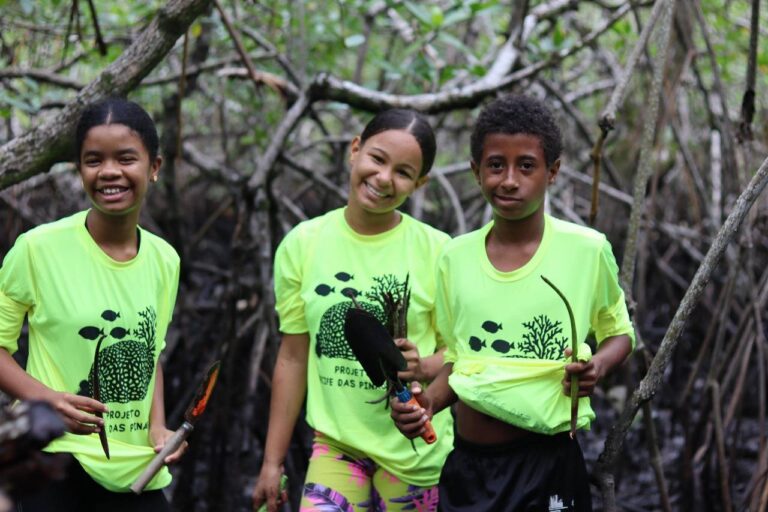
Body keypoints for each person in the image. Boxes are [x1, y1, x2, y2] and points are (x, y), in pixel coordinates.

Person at [390, 95, 634, 511]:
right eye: (495, 165)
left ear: (552, 172)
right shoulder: (455, 257)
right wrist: (427, 403)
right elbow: (461, 362)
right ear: (475, 170)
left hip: (547, 465)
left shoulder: (587, 251)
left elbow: (620, 335)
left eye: (526, 166)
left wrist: (597, 367)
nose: (509, 180)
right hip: (468, 468)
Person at [251, 109, 453, 512]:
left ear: (419, 183)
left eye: (402, 172)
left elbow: (464, 353)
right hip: (336, 445)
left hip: (415, 451)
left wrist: (426, 373)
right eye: (377, 159)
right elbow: (293, 357)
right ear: (355, 150)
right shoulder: (302, 244)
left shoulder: (441, 251)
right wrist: (272, 463)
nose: (383, 178)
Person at [0, 98, 186, 511]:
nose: (109, 172)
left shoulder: (164, 259)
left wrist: (158, 428)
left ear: (154, 167)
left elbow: (149, 352)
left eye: (125, 158)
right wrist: (46, 398)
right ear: (78, 168)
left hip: (138, 473)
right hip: (55, 463)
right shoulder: (36, 249)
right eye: (93, 160)